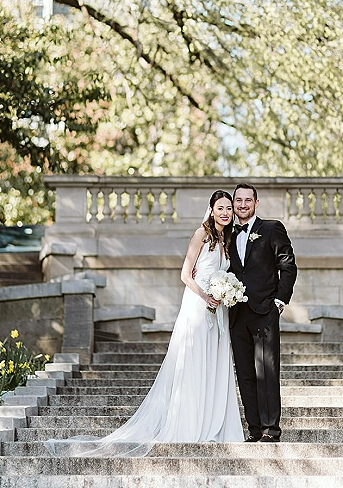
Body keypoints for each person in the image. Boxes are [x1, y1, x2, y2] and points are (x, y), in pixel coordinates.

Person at [45, 190, 243, 456]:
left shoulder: (225, 240)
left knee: (214, 364)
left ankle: (213, 424)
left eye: (229, 208)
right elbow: (185, 274)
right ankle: (191, 424)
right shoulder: (201, 235)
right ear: (211, 209)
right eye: (221, 207)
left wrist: (223, 293)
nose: (226, 212)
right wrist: (206, 295)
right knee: (195, 362)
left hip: (218, 310)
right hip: (198, 306)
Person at [229, 183, 297, 443]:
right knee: (245, 374)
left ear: (256, 203)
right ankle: (254, 429)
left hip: (265, 311)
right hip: (236, 313)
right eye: (238, 200)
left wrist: (279, 301)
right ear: (234, 204)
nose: (243, 205)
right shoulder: (228, 235)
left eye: (248, 200)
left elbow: (288, 266)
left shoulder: (271, 228)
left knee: (266, 370)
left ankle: (271, 429)